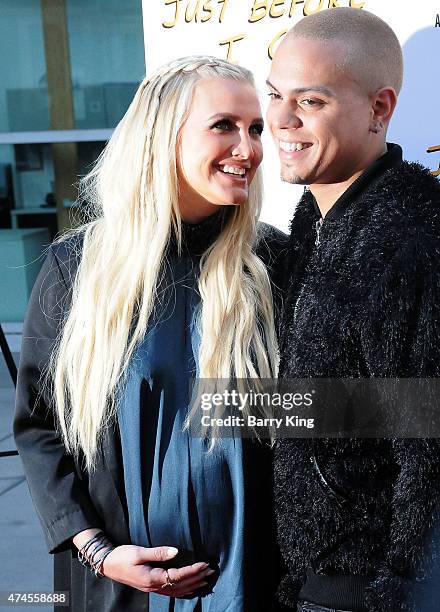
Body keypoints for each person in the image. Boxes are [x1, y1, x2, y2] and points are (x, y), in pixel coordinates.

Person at [14, 56, 287, 612]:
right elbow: (40, 426)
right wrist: (95, 549)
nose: (249, 147)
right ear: (163, 136)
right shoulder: (79, 269)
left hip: (254, 582)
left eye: (255, 128)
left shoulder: (273, 263)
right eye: (224, 126)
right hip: (119, 587)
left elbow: (312, 416)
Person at [266, 8, 440, 612]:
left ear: (379, 108)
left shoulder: (410, 240)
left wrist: (394, 590)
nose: (281, 120)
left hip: (368, 590)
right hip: (317, 581)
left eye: (310, 101)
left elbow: (429, 439)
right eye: (275, 95)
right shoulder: (313, 231)